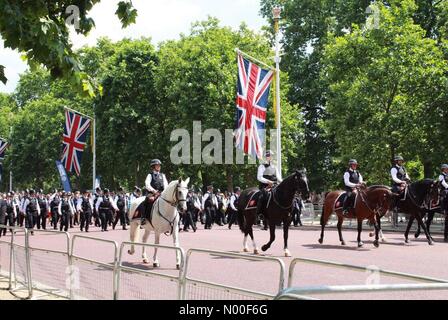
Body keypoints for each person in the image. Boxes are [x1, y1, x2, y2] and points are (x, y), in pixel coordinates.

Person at [256, 150, 282, 230]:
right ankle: (260, 214)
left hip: (274, 184)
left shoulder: (274, 167)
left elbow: (278, 177)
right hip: (265, 185)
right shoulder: (262, 166)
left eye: (271, 156)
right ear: (265, 157)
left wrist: (282, 182)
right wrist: (268, 182)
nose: (270, 157)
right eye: (268, 156)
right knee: (263, 197)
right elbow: (259, 177)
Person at [141, 159, 169, 226]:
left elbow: (166, 185)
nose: (159, 166)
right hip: (152, 193)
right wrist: (154, 191)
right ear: (153, 166)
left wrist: (164, 192)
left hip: (162, 193)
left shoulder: (163, 175)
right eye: (157, 165)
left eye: (159, 165)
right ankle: (144, 217)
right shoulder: (150, 175)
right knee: (148, 200)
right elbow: (147, 184)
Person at [439, 164, 448, 242]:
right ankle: (443, 209)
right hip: (444, 190)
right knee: (445, 194)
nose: (447, 170)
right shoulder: (441, 176)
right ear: (443, 169)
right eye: (445, 169)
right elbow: (443, 183)